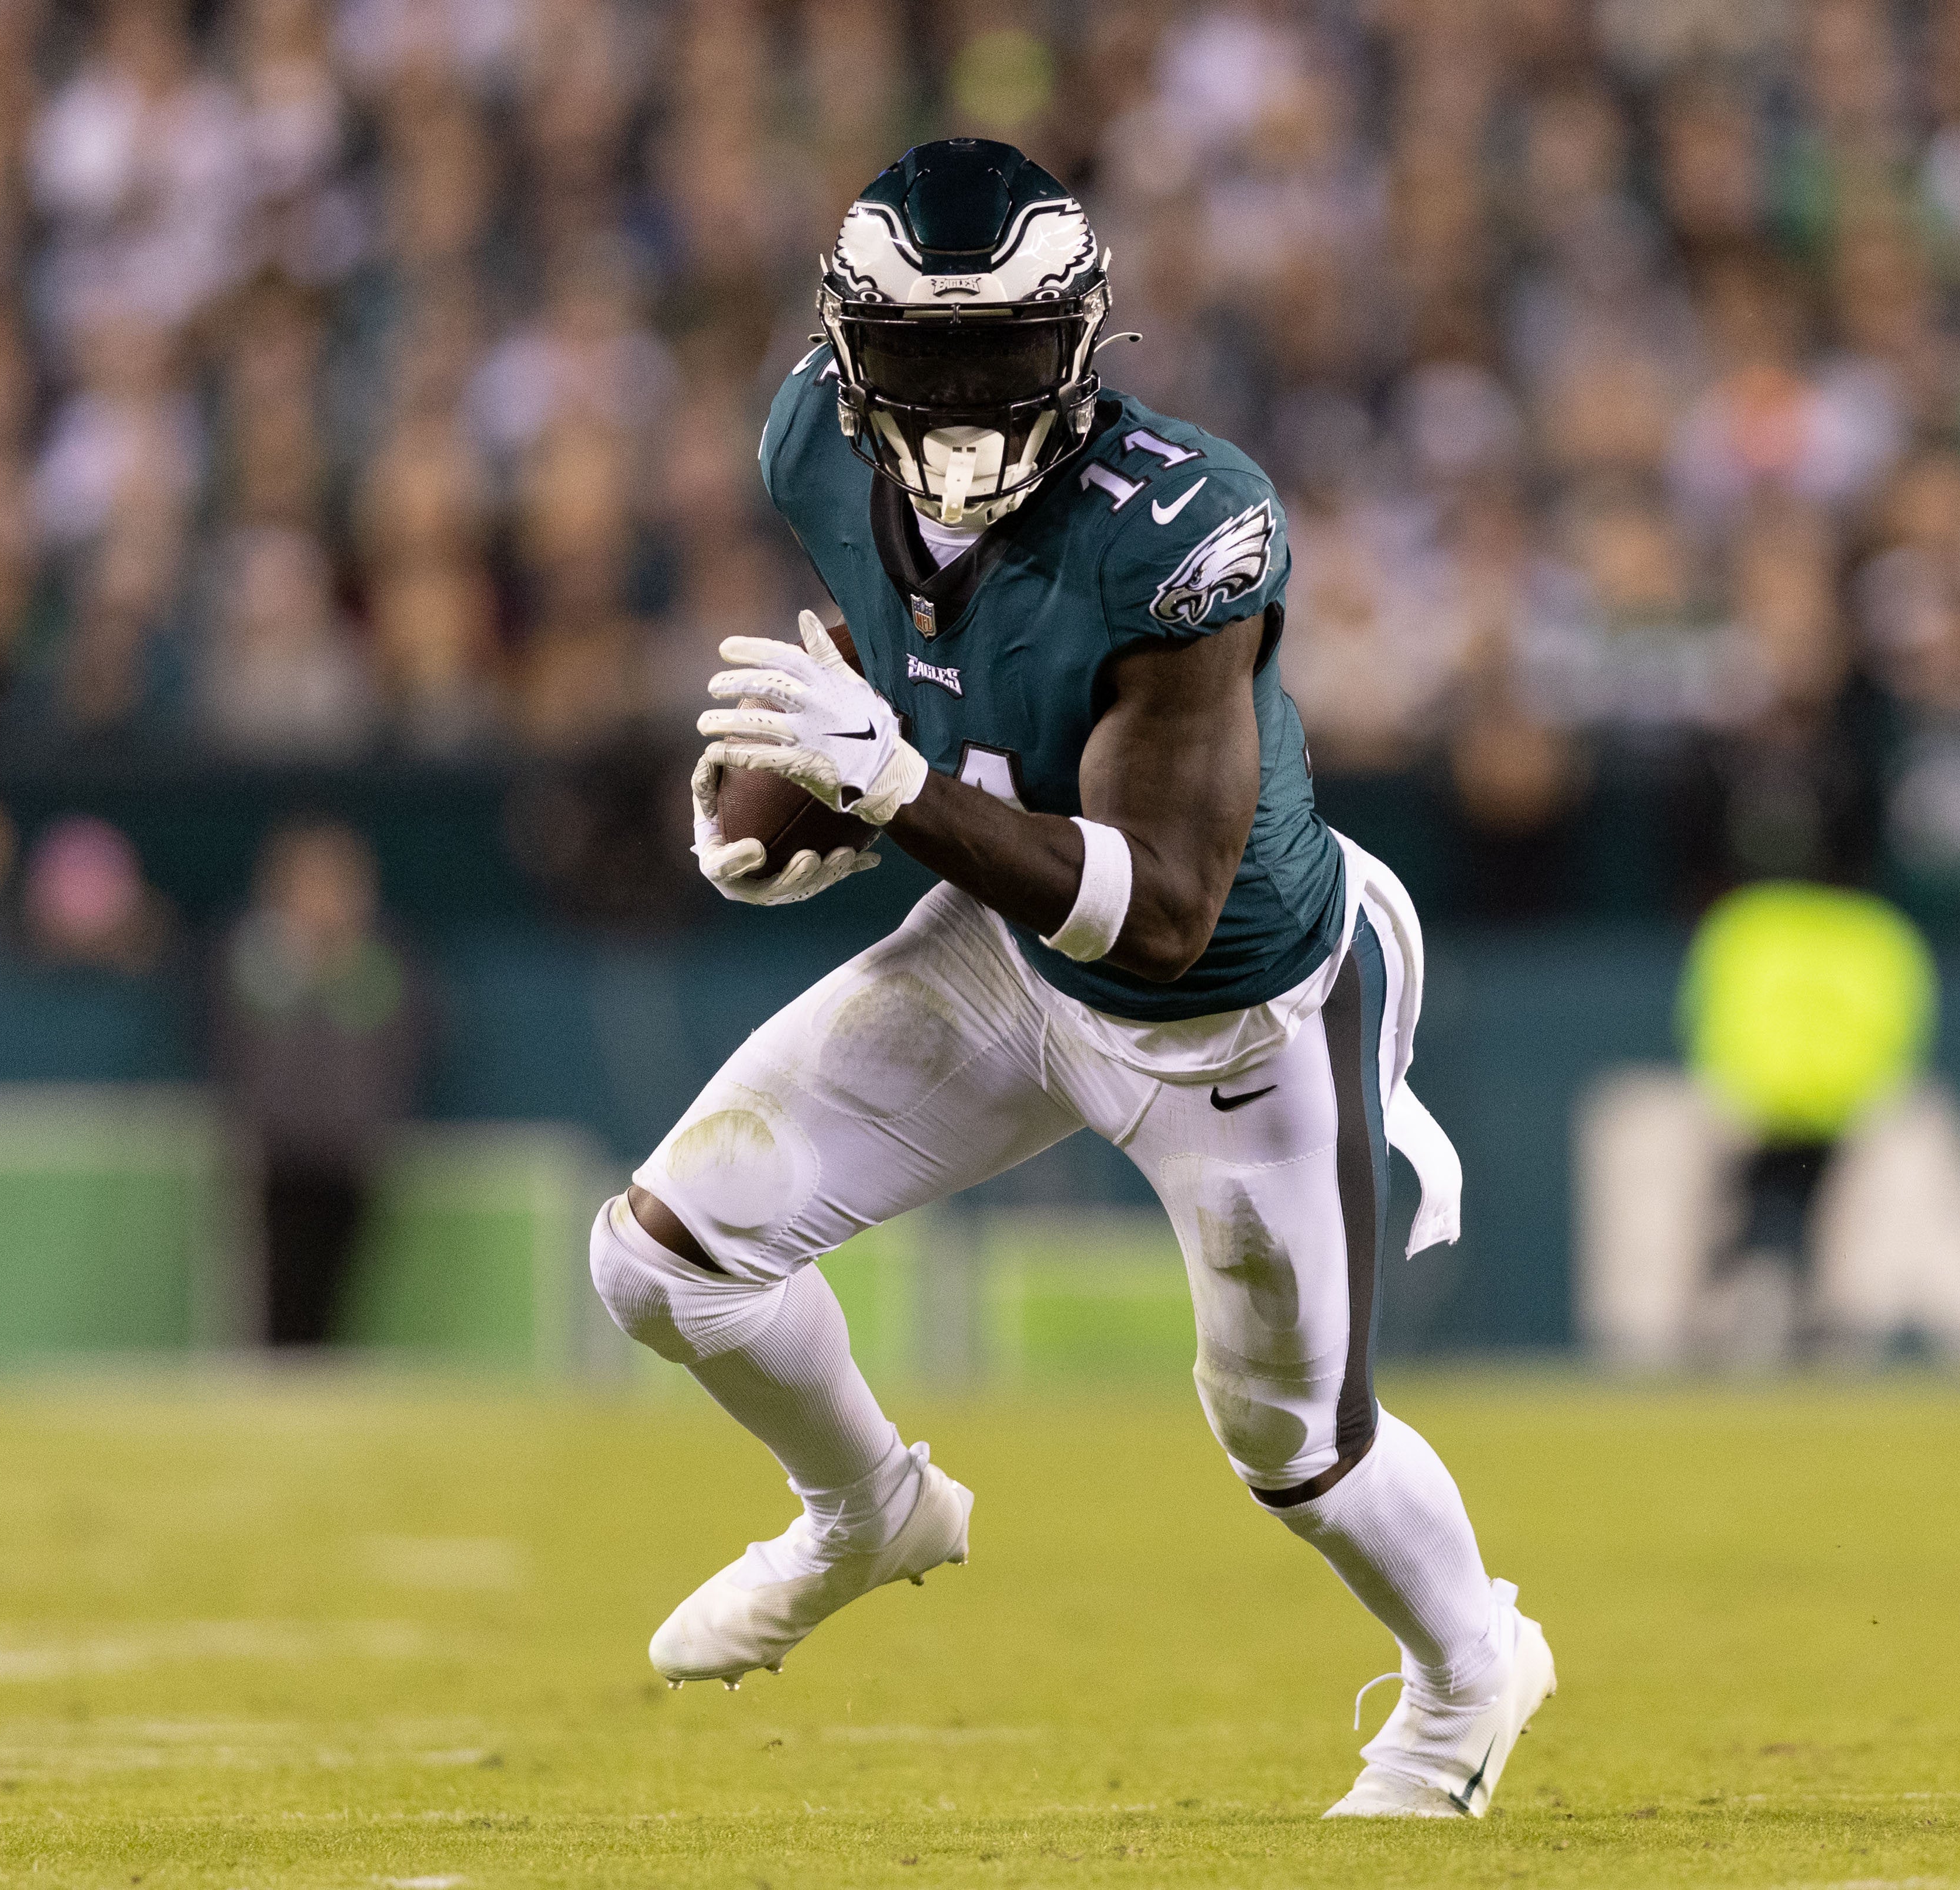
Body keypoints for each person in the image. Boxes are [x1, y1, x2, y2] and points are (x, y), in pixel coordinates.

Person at [587, 142, 1553, 1820]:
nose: (961, 399)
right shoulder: (811, 441)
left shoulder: (1186, 524)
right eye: (924, 356)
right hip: (1007, 950)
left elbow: (1162, 911)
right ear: (845, 348)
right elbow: (912, 667)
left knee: (1294, 1446)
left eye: (1002, 354)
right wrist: (806, 776)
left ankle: (1473, 1661)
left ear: (1084, 342)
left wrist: (888, 790)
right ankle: (861, 1507)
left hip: (1230, 1010)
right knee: (668, 1260)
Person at [213, 819, 425, 1347]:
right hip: (277, 1157)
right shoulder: (257, 962)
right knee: (278, 1297)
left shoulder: (380, 965)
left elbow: (401, 1049)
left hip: (352, 1156)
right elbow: (237, 1049)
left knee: (341, 1303)